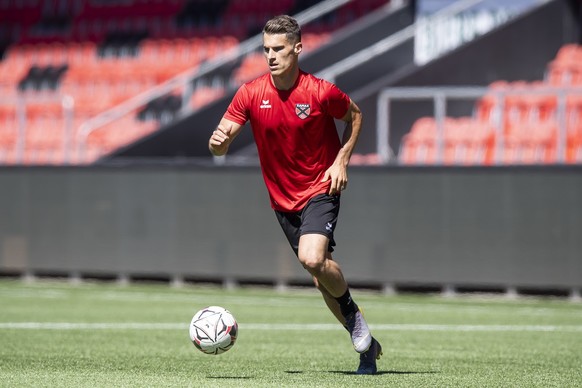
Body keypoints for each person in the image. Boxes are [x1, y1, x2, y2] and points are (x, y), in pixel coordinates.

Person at [208, 15, 382, 374]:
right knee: (320, 278)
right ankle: (363, 339)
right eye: (266, 50)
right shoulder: (251, 93)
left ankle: (356, 322)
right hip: (282, 201)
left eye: (279, 49)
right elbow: (220, 143)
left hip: (321, 186)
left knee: (312, 258)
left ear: (297, 49)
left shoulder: (320, 91)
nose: (271, 56)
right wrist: (217, 144)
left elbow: (355, 115)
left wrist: (341, 161)